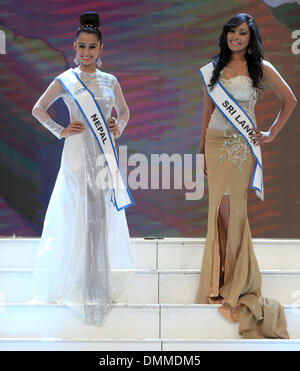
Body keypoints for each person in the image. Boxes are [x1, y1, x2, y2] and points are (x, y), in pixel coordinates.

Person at [196, 13, 297, 339]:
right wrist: (200, 150)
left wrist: (269, 133)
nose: (236, 38)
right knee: (218, 212)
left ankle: (239, 282)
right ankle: (221, 280)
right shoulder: (214, 69)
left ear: (251, 38)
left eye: (242, 34)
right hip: (214, 143)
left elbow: (290, 100)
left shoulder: (262, 69)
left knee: (235, 210)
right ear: (225, 35)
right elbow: (208, 111)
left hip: (241, 147)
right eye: (231, 32)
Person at [31, 12, 135, 325]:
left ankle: (97, 284)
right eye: (81, 47)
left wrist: (117, 128)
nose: (86, 53)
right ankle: (74, 281)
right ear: (74, 47)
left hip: (103, 155)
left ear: (101, 49)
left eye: (92, 47)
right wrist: (59, 129)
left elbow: (125, 112)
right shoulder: (66, 80)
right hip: (76, 155)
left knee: (99, 218)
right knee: (76, 216)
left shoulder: (110, 81)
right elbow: (38, 109)